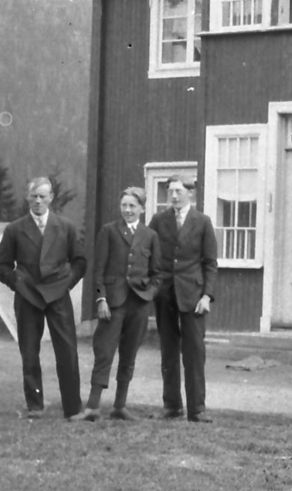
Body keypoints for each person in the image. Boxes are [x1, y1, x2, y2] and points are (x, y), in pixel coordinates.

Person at [0, 177, 88, 421]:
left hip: (58, 295)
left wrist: (67, 284)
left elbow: (80, 262)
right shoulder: (14, 229)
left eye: (42, 196)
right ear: (28, 198)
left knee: (67, 351)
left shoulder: (66, 227)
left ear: (51, 198)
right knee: (29, 351)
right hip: (28, 297)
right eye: (34, 196)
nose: (38, 201)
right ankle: (35, 406)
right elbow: (2, 267)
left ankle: (72, 408)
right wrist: (17, 282)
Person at [72, 187, 161, 422]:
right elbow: (98, 271)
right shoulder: (109, 232)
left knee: (129, 355)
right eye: (124, 205)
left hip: (139, 305)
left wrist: (149, 294)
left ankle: (119, 406)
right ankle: (92, 406)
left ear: (142, 208)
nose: (128, 210)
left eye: (132, 206)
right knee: (104, 352)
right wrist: (101, 299)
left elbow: (158, 274)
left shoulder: (150, 236)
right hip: (113, 304)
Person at [149, 175, 218, 423]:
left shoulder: (202, 222)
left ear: (191, 193)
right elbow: (149, 254)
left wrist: (207, 295)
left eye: (179, 191)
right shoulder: (158, 221)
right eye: (170, 191)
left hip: (194, 297)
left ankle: (196, 409)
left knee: (194, 352)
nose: (174, 196)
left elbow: (210, 263)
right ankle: (171, 406)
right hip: (165, 295)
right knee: (168, 351)